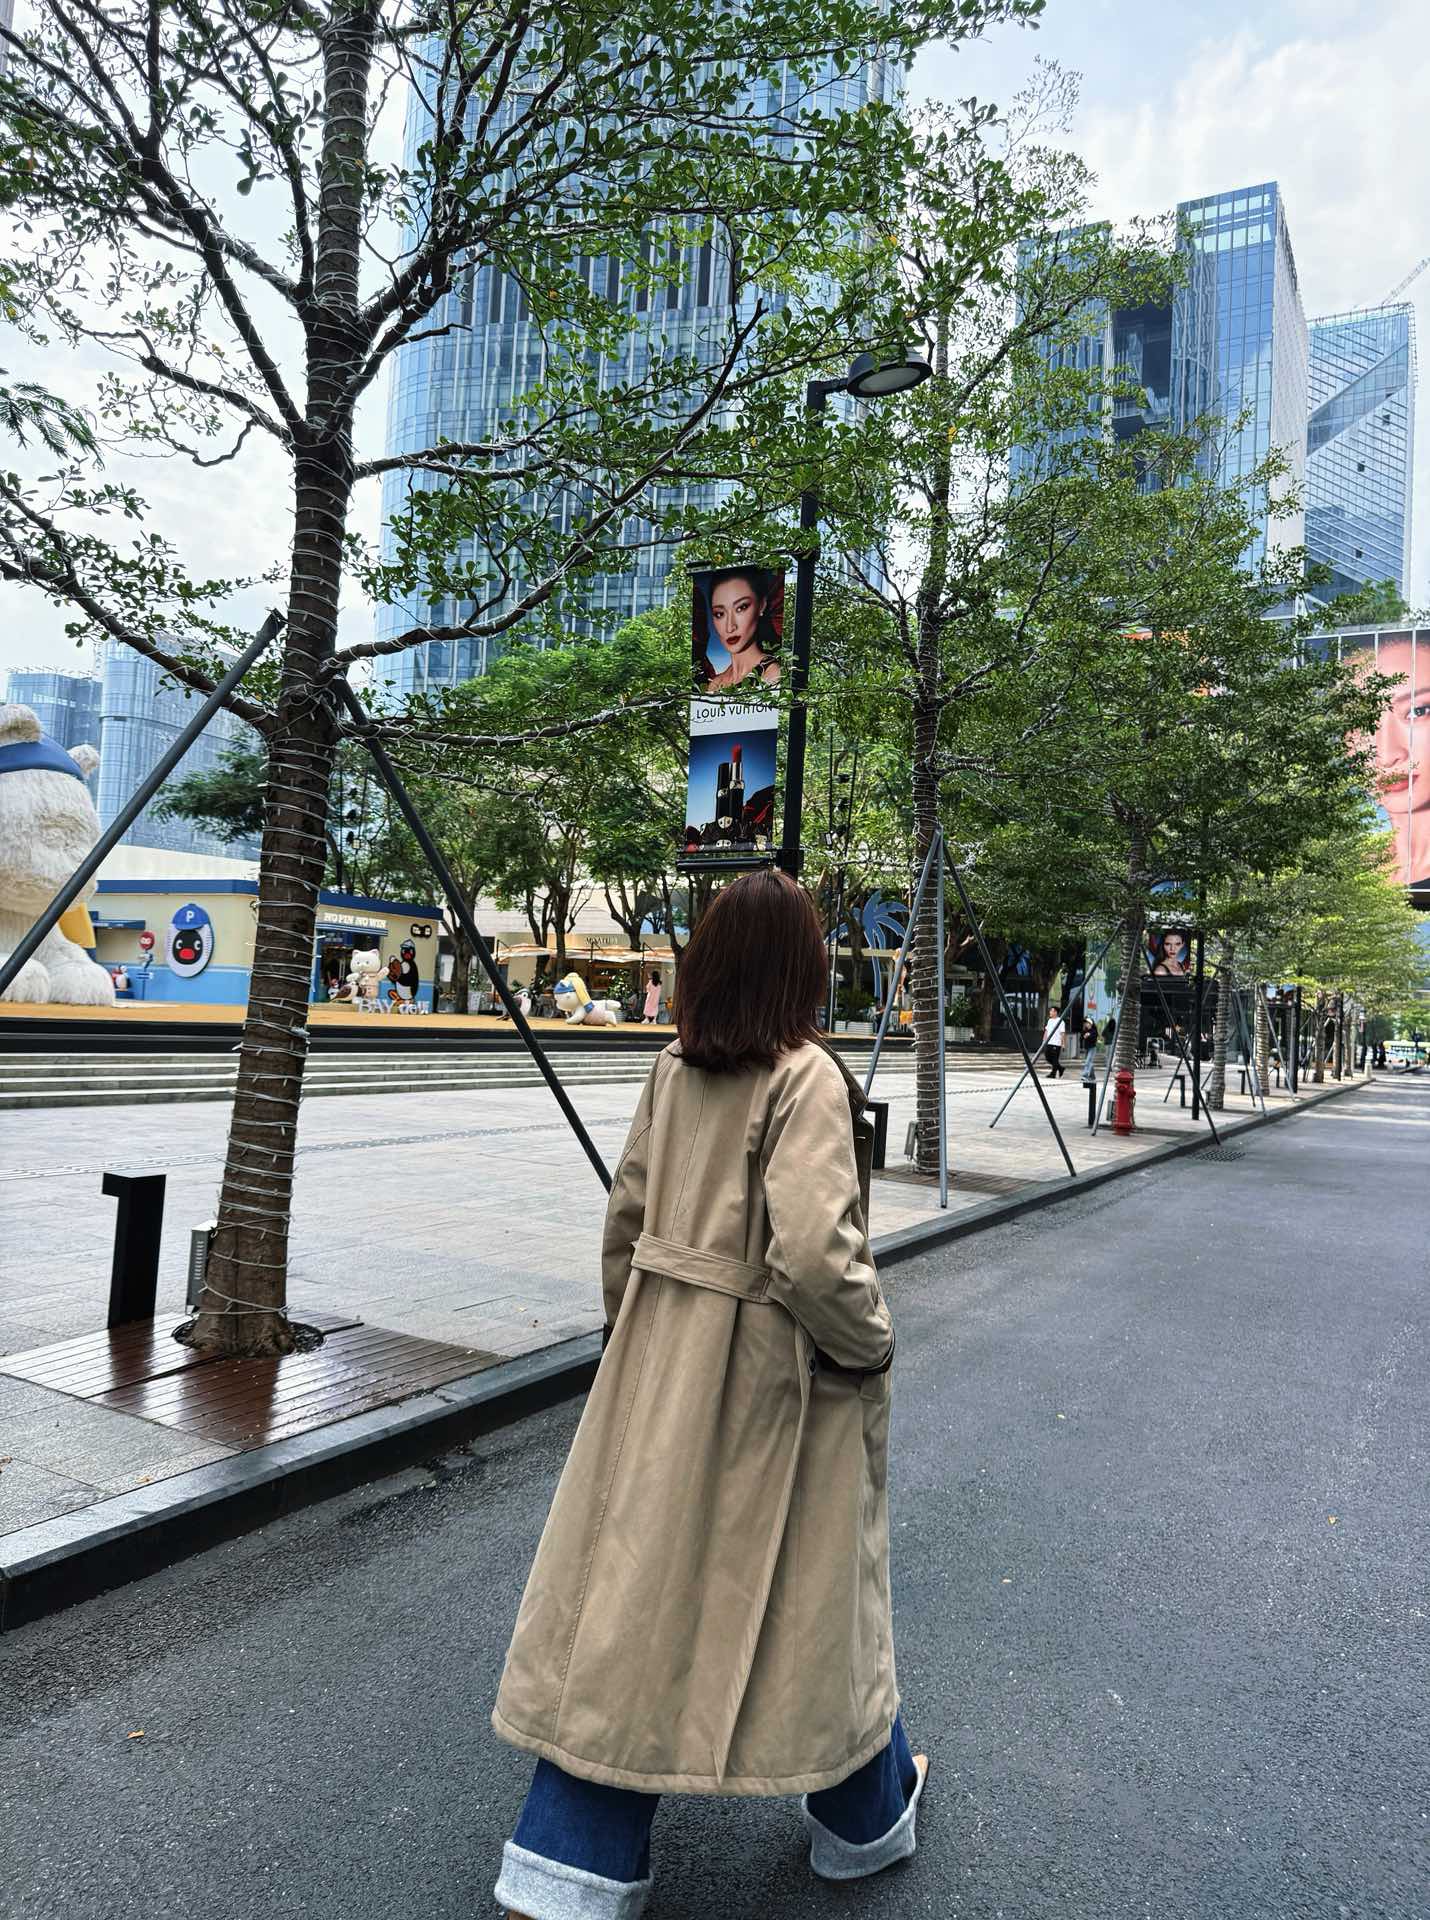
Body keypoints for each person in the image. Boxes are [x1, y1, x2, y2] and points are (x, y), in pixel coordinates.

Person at [491, 868, 925, 1920]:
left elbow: (626, 1218)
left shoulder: (672, 1067)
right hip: (772, 1379)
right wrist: (869, 1348)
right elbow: (814, 1256)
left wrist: (633, 1338)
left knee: (632, 1593)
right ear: (802, 970)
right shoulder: (805, 1076)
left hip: (659, 1353)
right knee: (811, 1594)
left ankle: (570, 1859)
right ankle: (864, 1817)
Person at [699, 568, 782, 691]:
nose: (730, 627)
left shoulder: (773, 674)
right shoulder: (715, 684)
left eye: (741, 607)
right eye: (719, 614)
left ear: (761, 606)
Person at [1041, 1003, 1066, 1078]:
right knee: (1048, 1057)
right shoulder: (1050, 1020)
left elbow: (1062, 1033)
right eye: (1050, 1011)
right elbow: (1046, 1031)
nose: (1050, 1012)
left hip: (1056, 1043)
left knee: (1055, 1059)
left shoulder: (1061, 1021)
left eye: (1051, 1011)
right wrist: (1044, 1040)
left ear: (1055, 1012)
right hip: (1049, 1042)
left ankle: (1053, 1074)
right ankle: (1060, 1068)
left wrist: (1063, 1044)